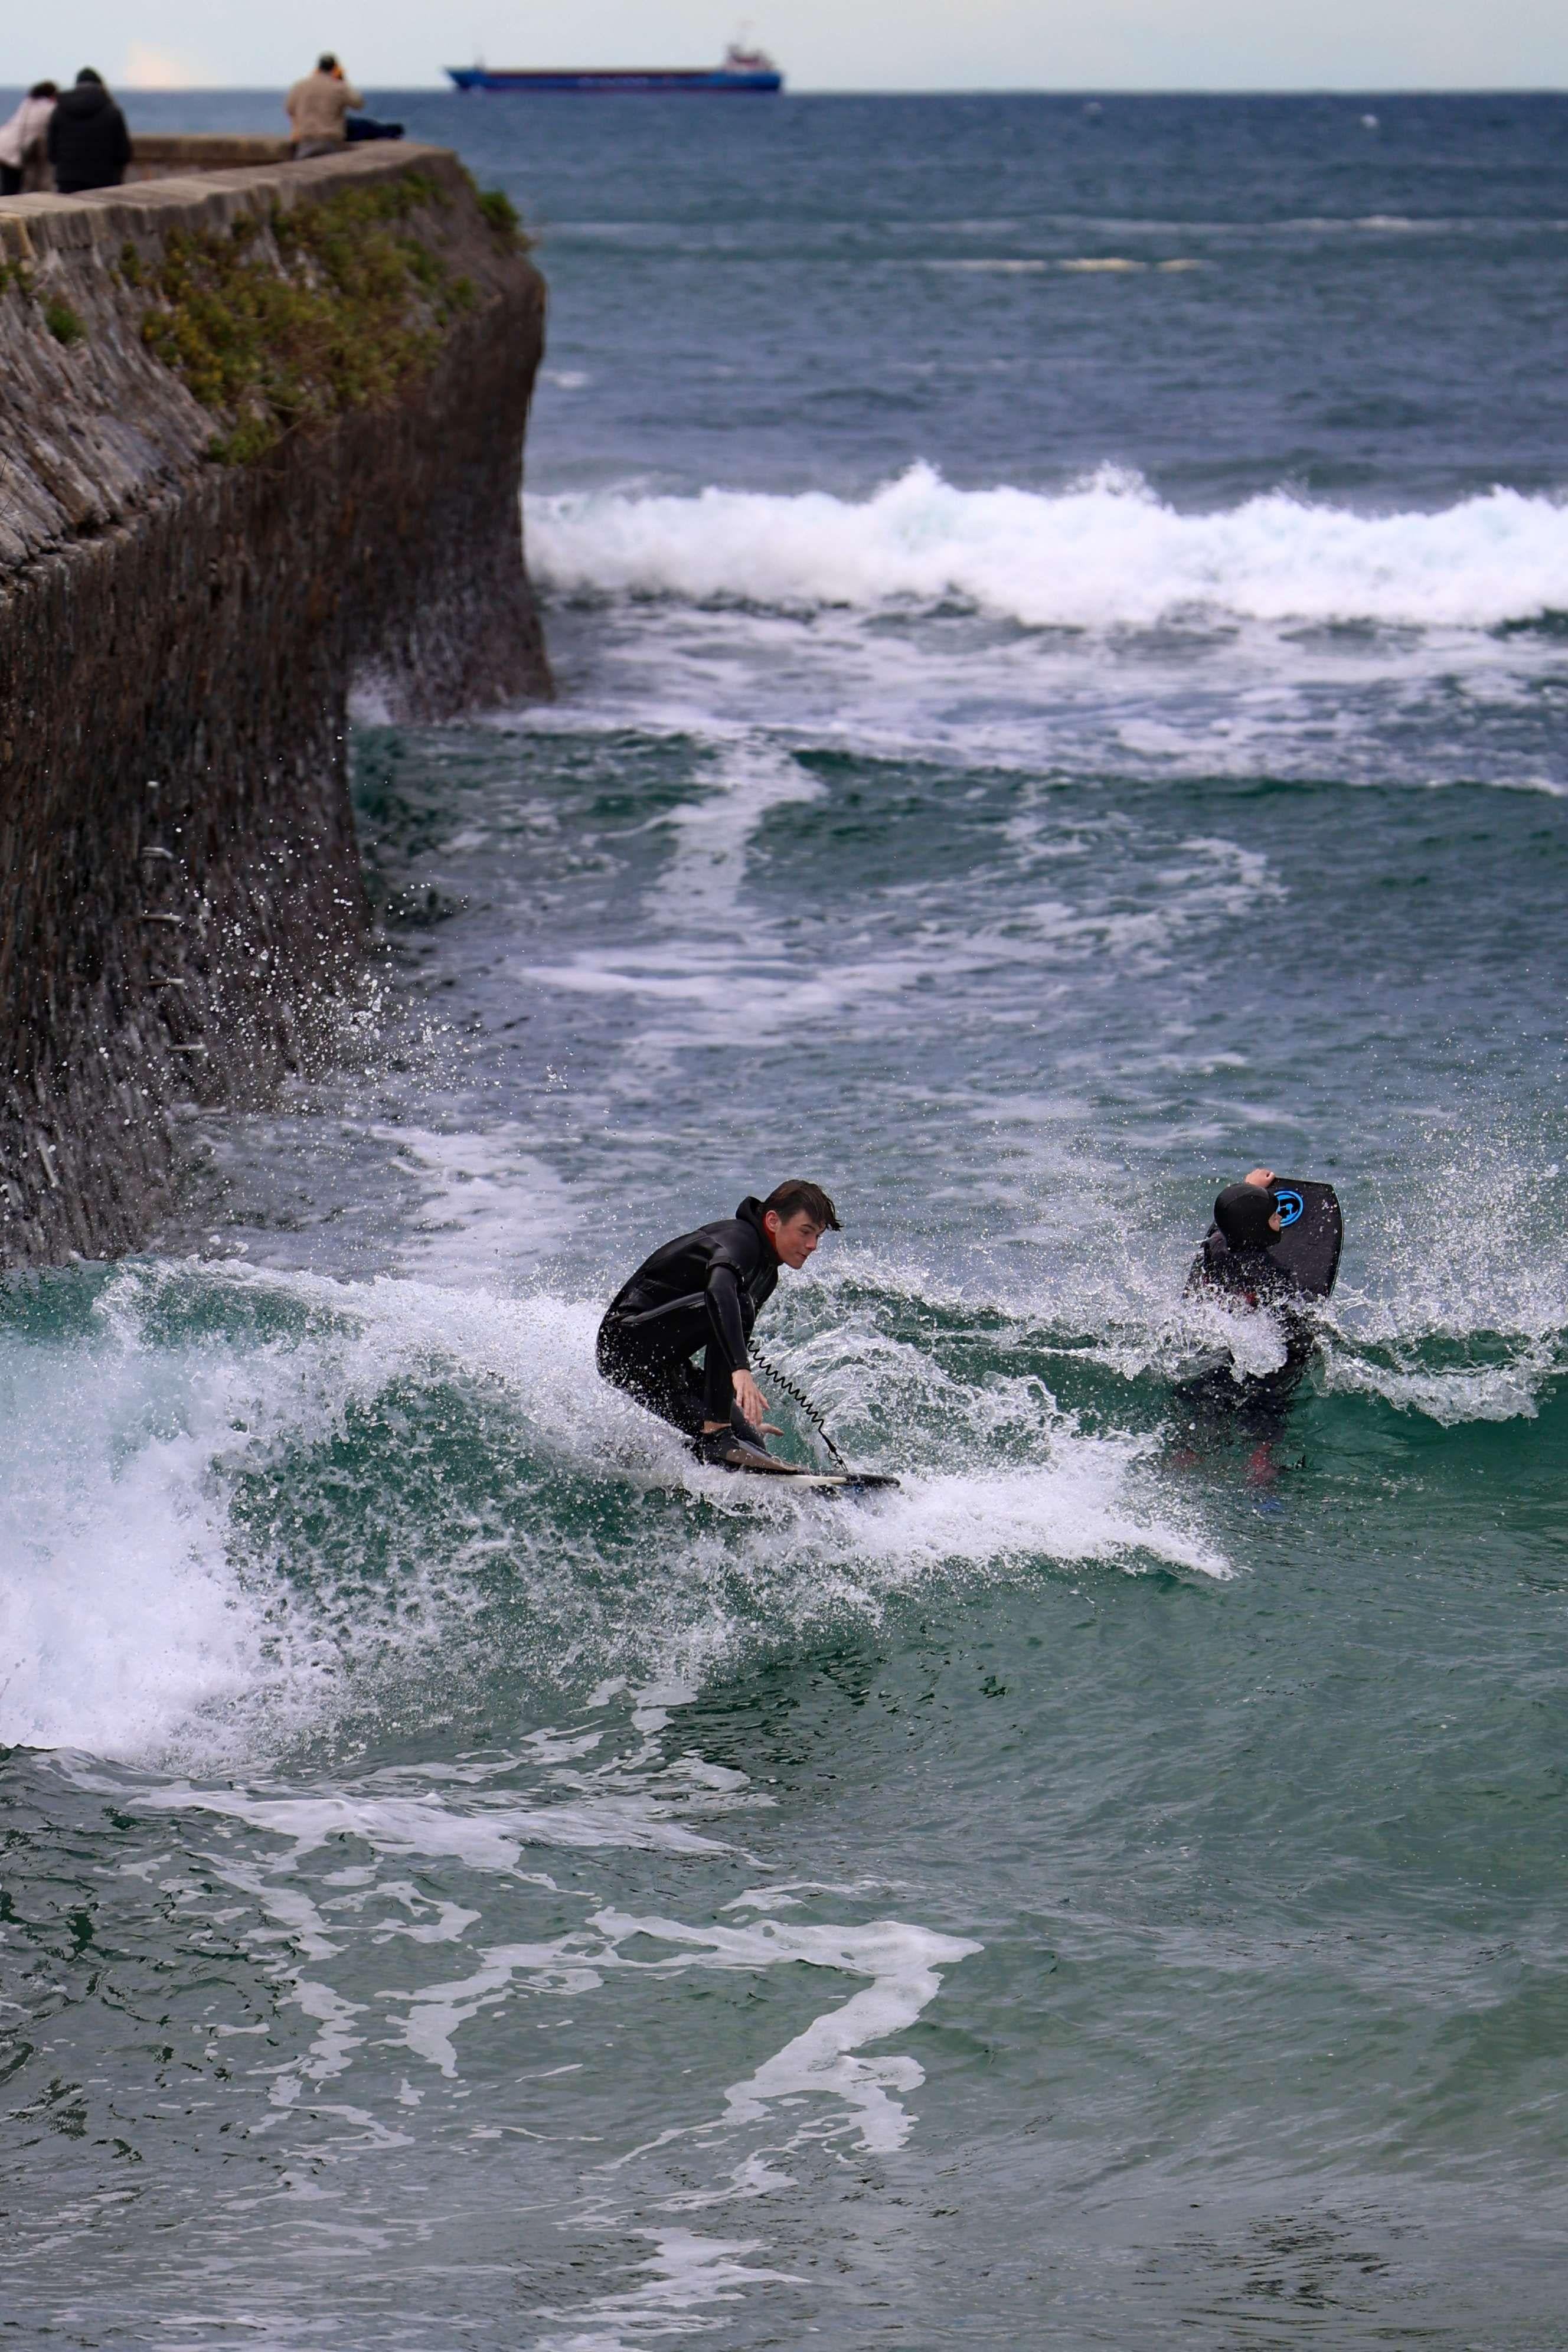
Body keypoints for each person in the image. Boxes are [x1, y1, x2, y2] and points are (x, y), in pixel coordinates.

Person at [598, 1181, 840, 1469]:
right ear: (773, 1221)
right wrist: (741, 1370)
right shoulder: (740, 1240)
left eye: (818, 1236)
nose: (812, 1246)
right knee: (722, 1435)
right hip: (625, 1346)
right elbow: (719, 1292)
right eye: (805, 1231)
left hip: (662, 1367)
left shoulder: (767, 1276)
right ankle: (715, 1436)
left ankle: (667, 1457)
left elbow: (727, 1334)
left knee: (749, 1442)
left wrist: (737, 1418)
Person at [1177, 1165, 1316, 1469]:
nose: (1279, 1218)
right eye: (1274, 1216)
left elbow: (1222, 1224)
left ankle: (1188, 1455)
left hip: (1221, 1352)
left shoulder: (1213, 1249)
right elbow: (1292, 1324)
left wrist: (1247, 1189)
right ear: (1259, 1230)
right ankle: (1260, 1461)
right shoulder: (1274, 1275)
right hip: (1263, 1359)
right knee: (1267, 1407)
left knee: (1210, 1399)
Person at [46, 69, 130, 195]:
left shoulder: (60, 110)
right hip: (104, 179)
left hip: (68, 179)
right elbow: (123, 153)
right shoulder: (112, 111)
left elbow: (52, 152)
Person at [286, 55, 364, 158]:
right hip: (331, 142)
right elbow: (358, 104)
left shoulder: (300, 86)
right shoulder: (339, 87)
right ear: (335, 69)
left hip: (306, 142)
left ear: (318, 68)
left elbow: (289, 109)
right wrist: (342, 80)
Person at [0, 81, 57, 198]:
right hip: (14, 152)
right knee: (12, 188)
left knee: (8, 185)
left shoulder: (28, 103)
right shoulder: (48, 108)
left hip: (4, 145)